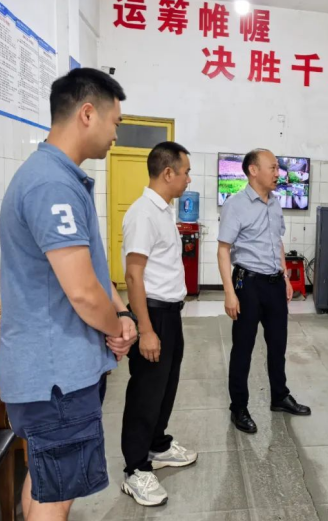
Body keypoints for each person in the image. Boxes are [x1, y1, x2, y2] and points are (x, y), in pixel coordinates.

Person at [0, 68, 137, 521]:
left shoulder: (57, 177)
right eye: (115, 122)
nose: (116, 134)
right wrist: (117, 329)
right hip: (55, 376)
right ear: (87, 113)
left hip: (49, 372)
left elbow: (90, 271)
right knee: (55, 497)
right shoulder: (52, 184)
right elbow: (82, 292)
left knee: (46, 483)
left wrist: (122, 314)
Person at [120, 142, 197, 506]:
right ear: (168, 173)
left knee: (166, 386)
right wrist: (146, 329)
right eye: (185, 172)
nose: (188, 179)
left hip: (170, 313)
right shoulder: (143, 214)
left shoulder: (164, 210)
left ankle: (157, 445)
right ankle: (135, 469)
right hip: (152, 315)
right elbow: (133, 276)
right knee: (145, 392)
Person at [217, 149, 311, 434]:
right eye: (272, 167)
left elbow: (277, 242)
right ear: (253, 170)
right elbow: (223, 250)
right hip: (247, 284)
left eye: (278, 168)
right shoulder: (235, 205)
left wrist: (285, 276)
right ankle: (239, 407)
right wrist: (229, 292)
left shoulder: (275, 203)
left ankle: (279, 396)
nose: (277, 173)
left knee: (278, 345)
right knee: (243, 348)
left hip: (274, 283)